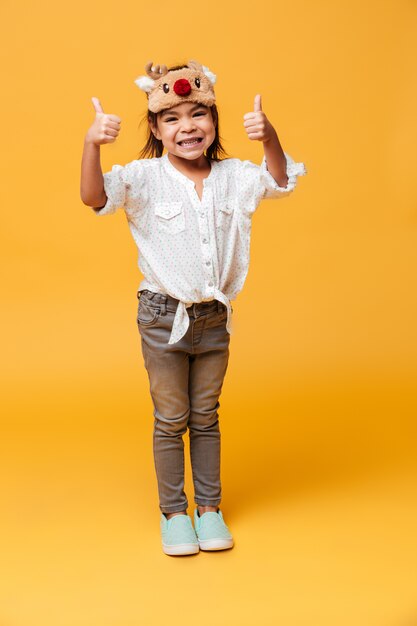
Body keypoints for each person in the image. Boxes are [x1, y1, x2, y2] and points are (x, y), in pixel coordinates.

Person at [80, 59, 307, 556]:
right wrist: (92, 145)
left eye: (199, 114)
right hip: (162, 315)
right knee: (171, 417)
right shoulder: (144, 177)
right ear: (157, 130)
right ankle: (174, 513)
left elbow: (282, 180)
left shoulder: (234, 177)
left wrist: (269, 135)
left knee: (206, 416)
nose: (188, 126)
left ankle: (210, 509)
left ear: (214, 123)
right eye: (173, 118)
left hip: (214, 317)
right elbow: (93, 197)